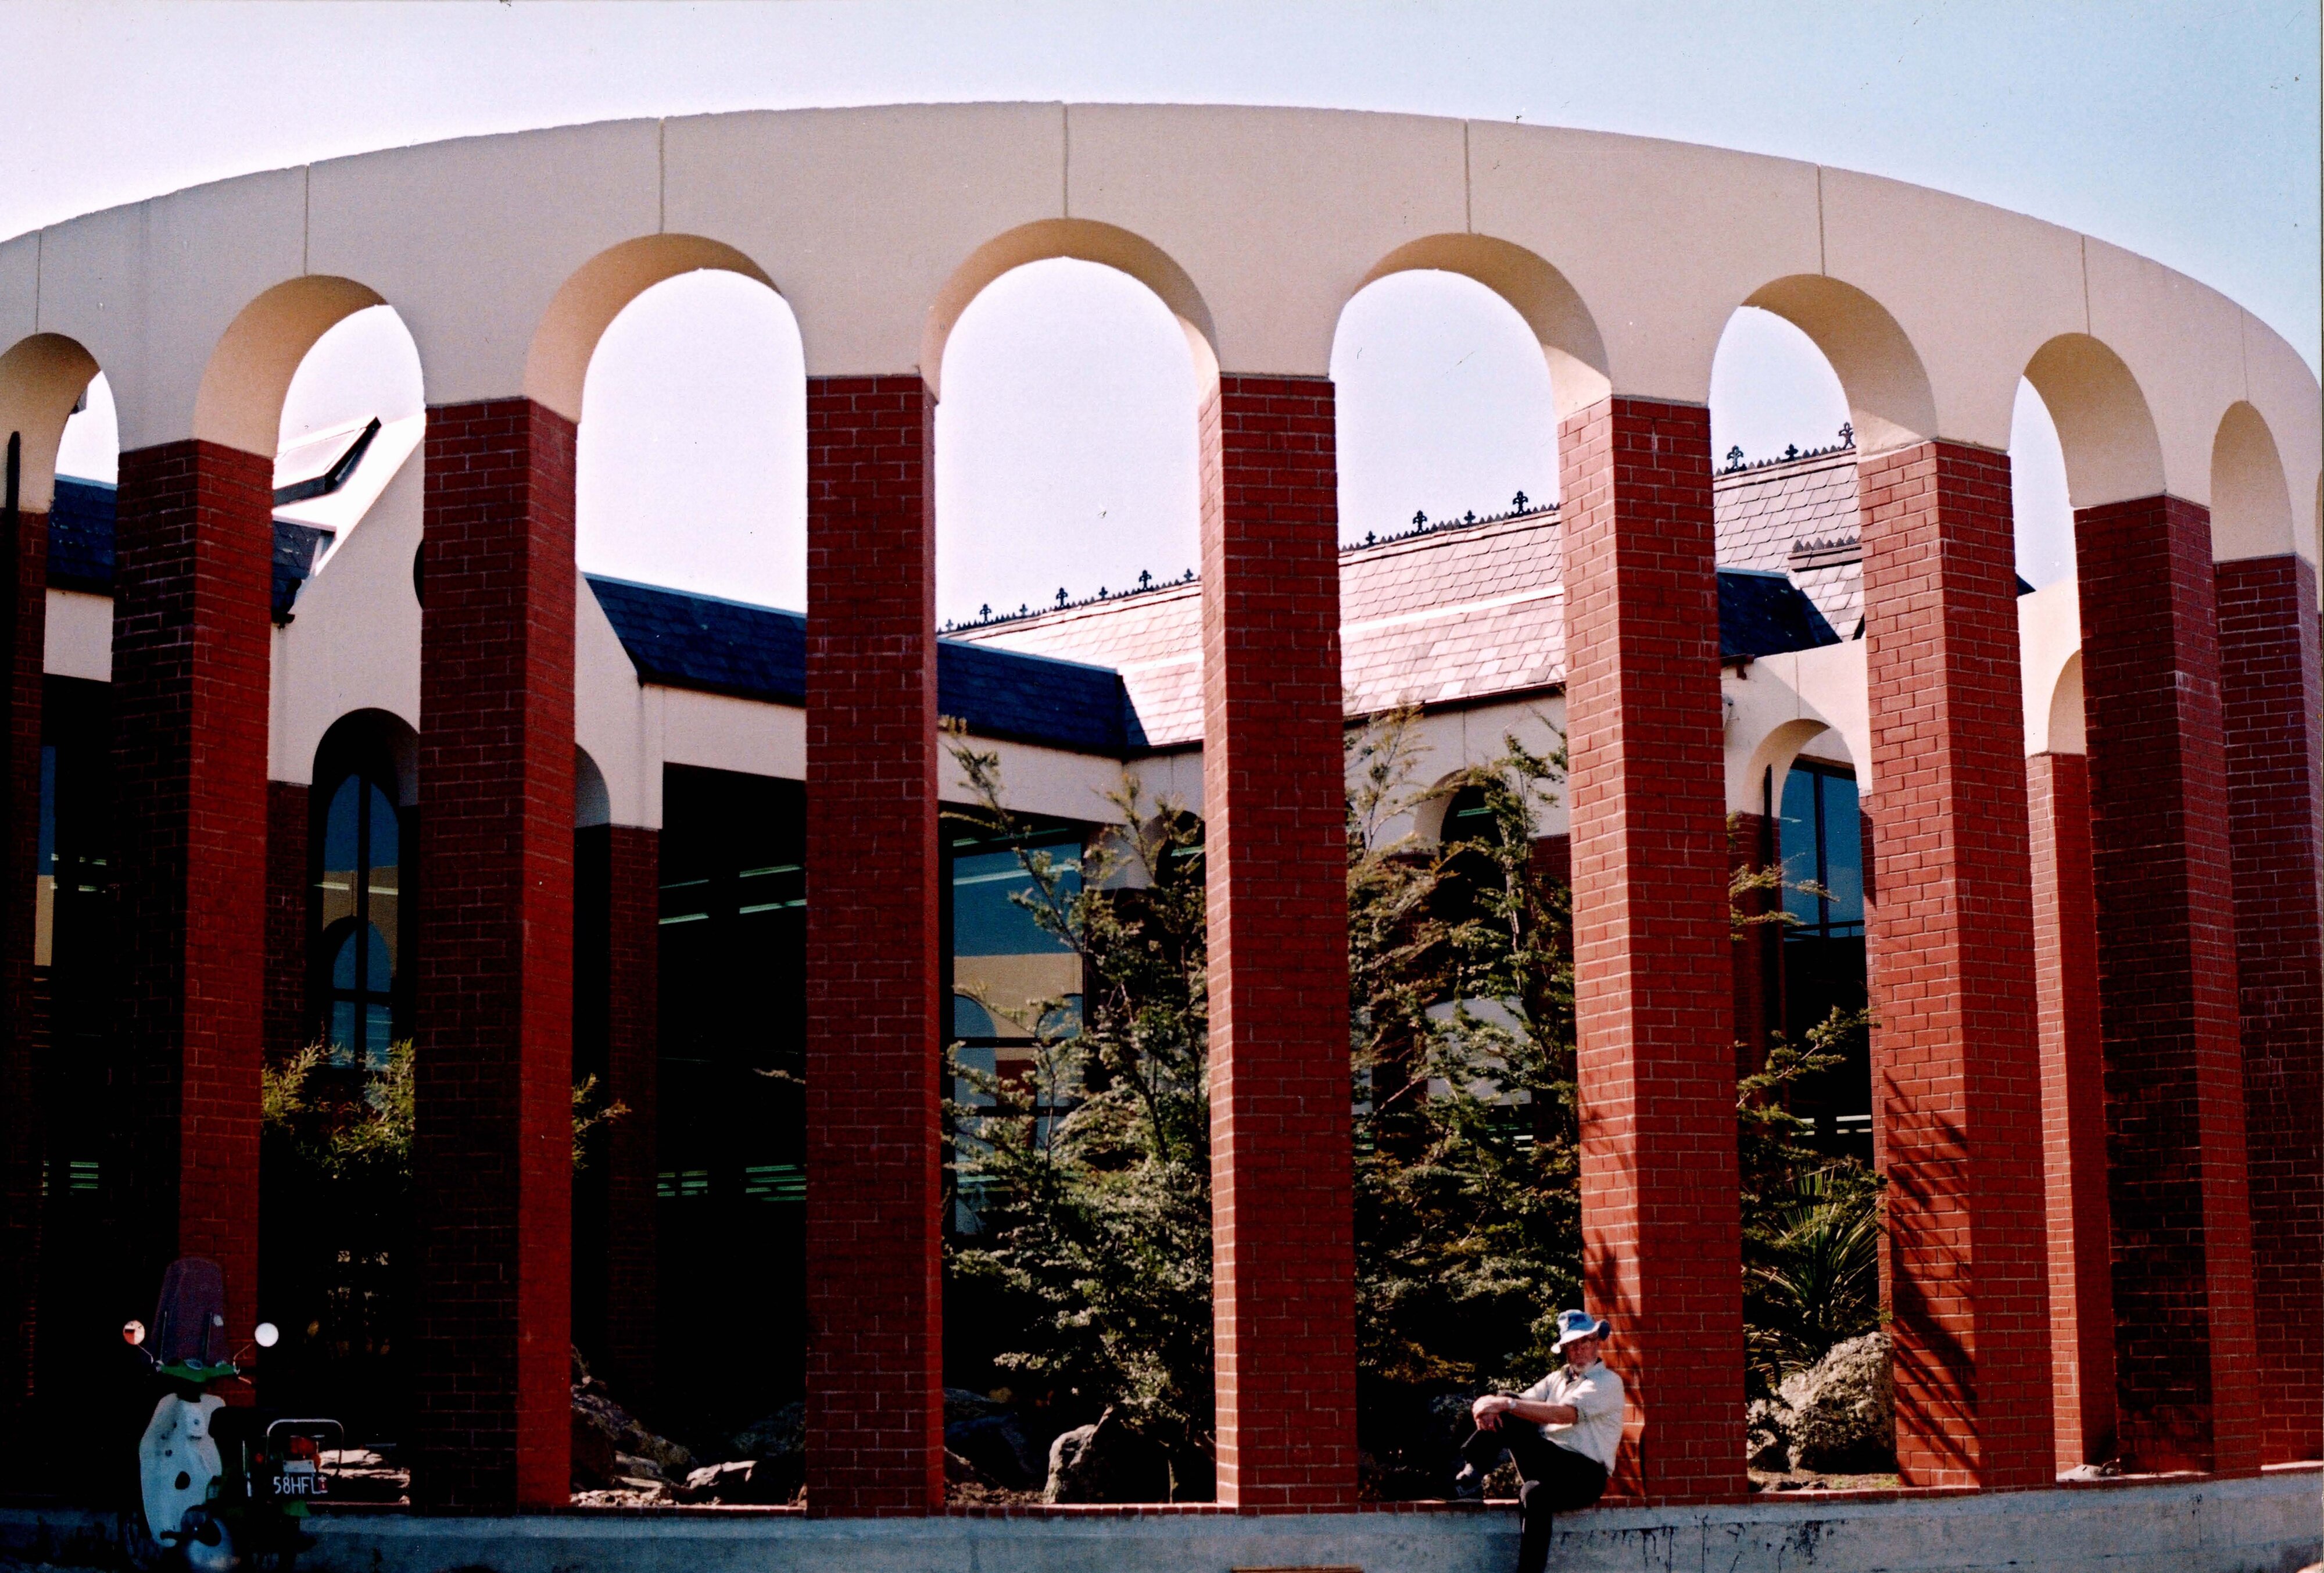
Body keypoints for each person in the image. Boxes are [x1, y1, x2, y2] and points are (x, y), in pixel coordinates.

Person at [1453, 1309, 1623, 1573]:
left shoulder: (1607, 1382)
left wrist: (1505, 1403)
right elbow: (1520, 1401)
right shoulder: (1558, 1378)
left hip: (1585, 1475)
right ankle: (1472, 1480)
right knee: (1534, 1492)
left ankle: (1472, 1474)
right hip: (1551, 1464)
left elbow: (1565, 1414)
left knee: (1509, 1408)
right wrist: (1486, 1406)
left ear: (1596, 1343)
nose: (1577, 1351)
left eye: (1583, 1343)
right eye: (1571, 1345)